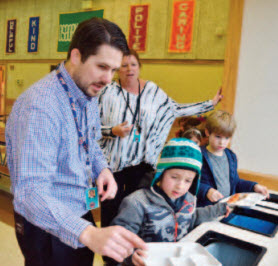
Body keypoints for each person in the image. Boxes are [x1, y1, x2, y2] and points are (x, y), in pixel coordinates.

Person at [5, 18, 146, 266]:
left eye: (113, 70)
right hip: (45, 223)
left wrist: (101, 168)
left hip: (79, 211)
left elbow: (90, 142)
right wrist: (89, 233)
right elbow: (30, 194)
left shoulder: (87, 92)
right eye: (101, 66)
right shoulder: (40, 106)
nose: (107, 78)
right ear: (76, 55)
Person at [98, 48, 224, 227]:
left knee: (138, 211)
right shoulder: (107, 91)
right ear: (117, 69)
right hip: (113, 166)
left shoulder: (151, 91)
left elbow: (175, 109)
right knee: (110, 209)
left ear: (139, 67)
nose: (129, 69)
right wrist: (112, 131)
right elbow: (91, 126)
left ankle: (131, 251)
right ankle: (109, 252)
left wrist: (209, 104)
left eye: (133, 64)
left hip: (142, 166)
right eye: (124, 65)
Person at [111, 138, 230, 266]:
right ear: (161, 173)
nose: (180, 186)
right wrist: (131, 255)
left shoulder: (189, 199)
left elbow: (192, 217)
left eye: (188, 181)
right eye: (174, 177)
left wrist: (219, 209)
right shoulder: (136, 203)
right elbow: (119, 238)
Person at [197, 110, 269, 207]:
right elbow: (189, 184)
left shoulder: (231, 156)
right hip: (206, 209)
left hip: (227, 208)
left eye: (226, 138)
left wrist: (254, 186)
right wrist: (207, 191)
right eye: (218, 137)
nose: (222, 142)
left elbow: (236, 182)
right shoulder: (197, 155)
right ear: (207, 132)